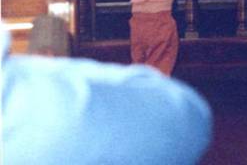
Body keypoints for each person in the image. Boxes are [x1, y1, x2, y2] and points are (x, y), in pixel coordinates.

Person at [2, 30, 212, 165]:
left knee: (142, 52)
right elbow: (182, 115)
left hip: (140, 21)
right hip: (159, 106)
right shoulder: (40, 110)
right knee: (161, 54)